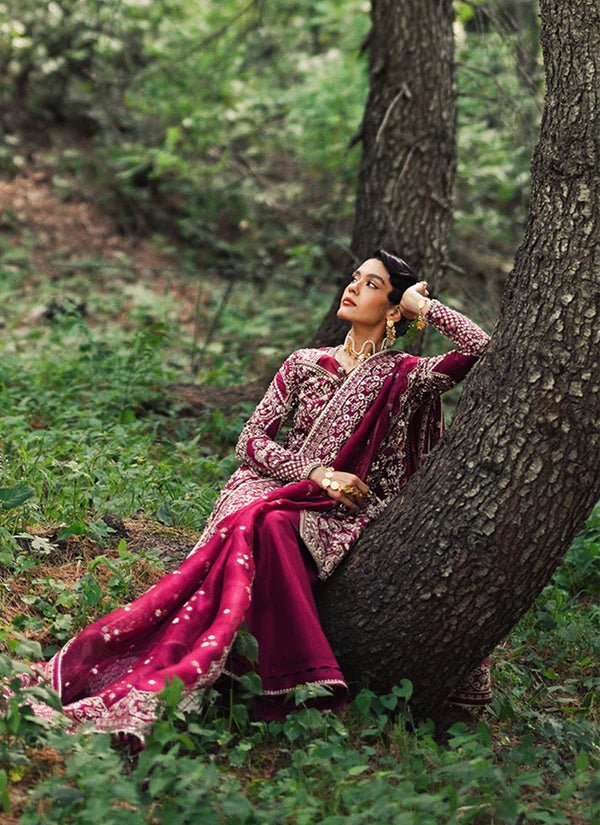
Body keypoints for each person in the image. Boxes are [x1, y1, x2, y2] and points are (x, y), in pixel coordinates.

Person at [15, 248, 492, 741]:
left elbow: (480, 347)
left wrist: (422, 305)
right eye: (354, 279)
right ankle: (287, 674)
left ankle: (290, 680)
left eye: (371, 285)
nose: (352, 288)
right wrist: (316, 473)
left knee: (268, 523)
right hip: (287, 485)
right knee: (258, 517)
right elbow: (252, 439)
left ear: (394, 309)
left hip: (346, 509)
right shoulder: (306, 362)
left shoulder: (408, 375)